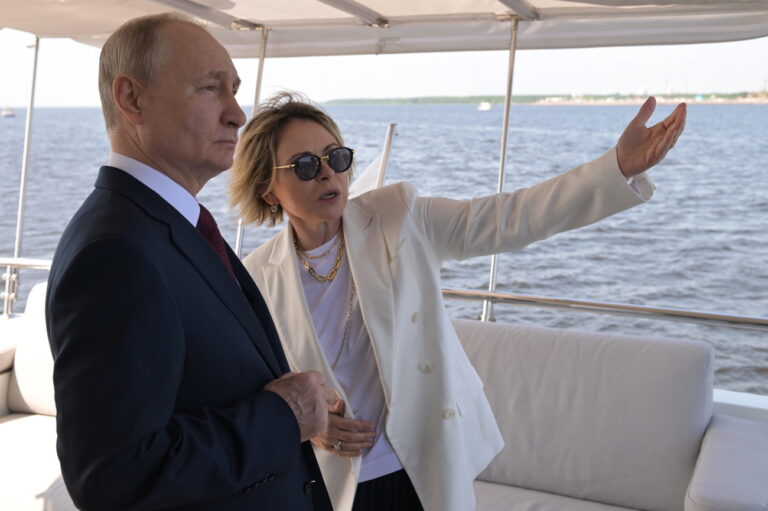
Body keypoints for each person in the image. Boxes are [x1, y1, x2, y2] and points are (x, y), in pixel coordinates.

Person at [230, 92, 686, 511]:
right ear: (268, 189)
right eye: (306, 165)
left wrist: (617, 167)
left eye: (337, 157)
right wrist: (311, 426)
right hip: (329, 483)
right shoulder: (256, 276)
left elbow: (513, 217)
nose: (329, 172)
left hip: (421, 464)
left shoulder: (399, 216)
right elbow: (261, 389)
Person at [45, 15, 337, 511]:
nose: (238, 114)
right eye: (210, 88)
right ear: (131, 99)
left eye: (235, 90)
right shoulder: (116, 253)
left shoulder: (166, 226)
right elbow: (115, 476)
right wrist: (283, 416)